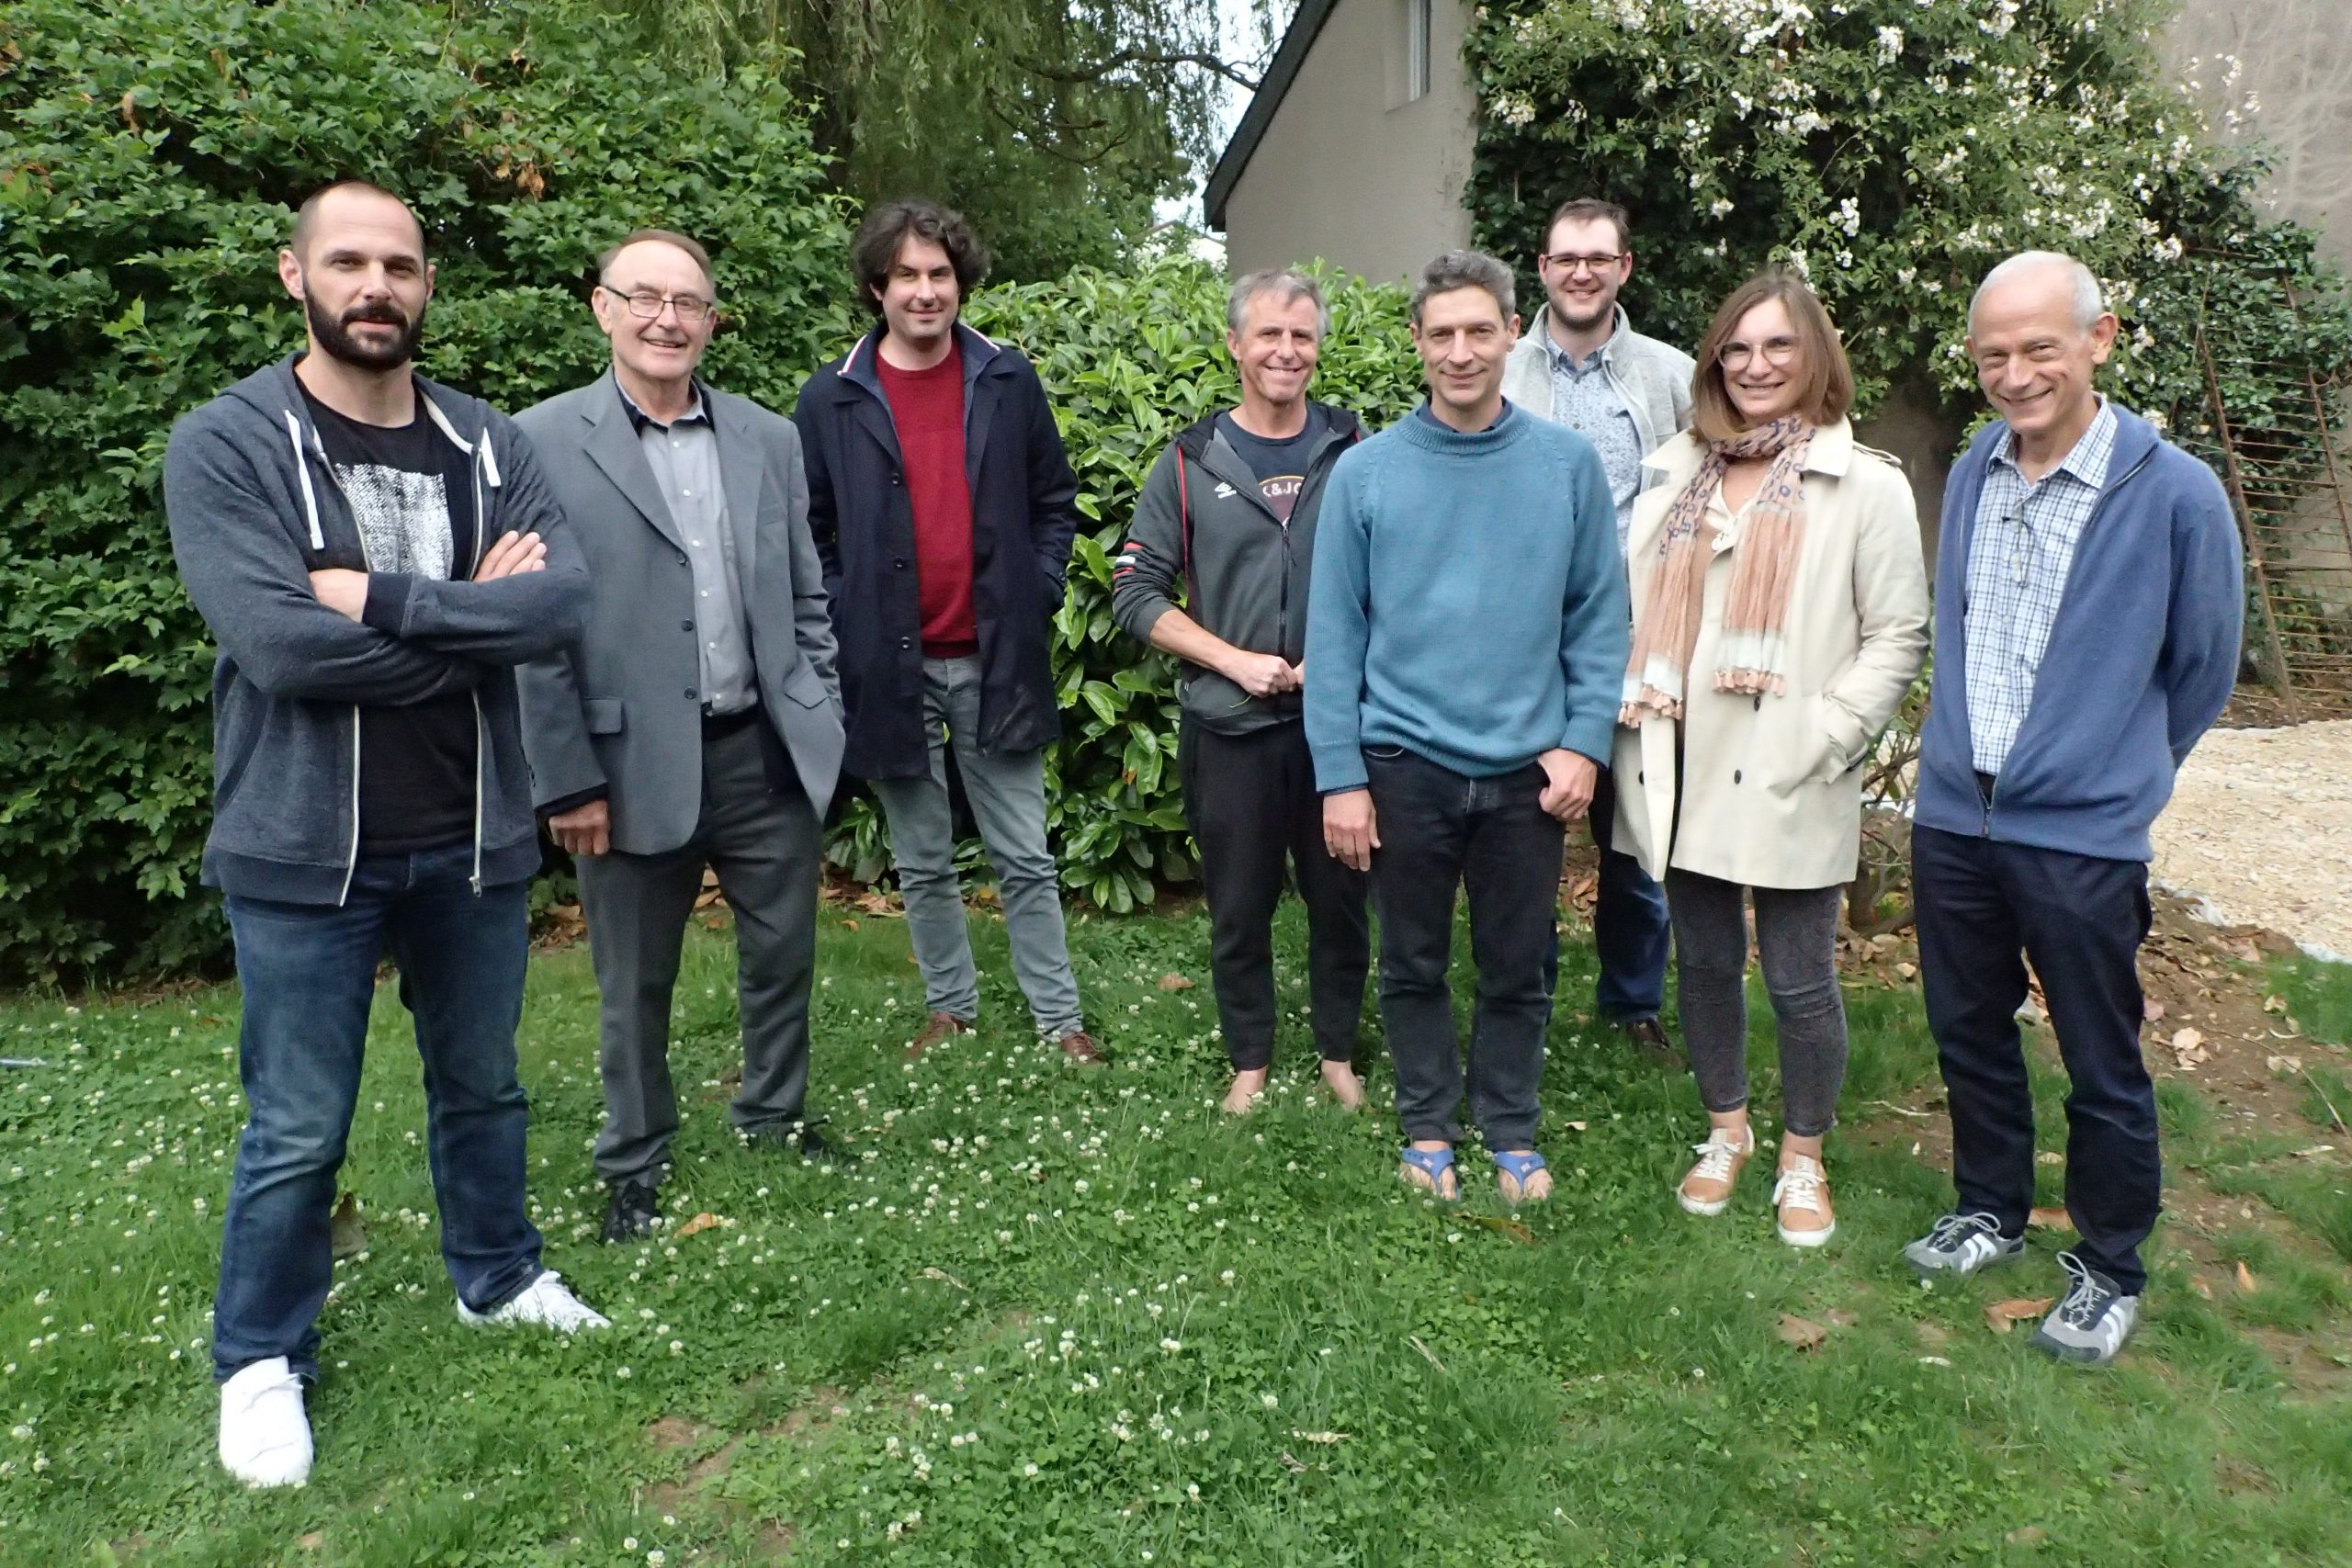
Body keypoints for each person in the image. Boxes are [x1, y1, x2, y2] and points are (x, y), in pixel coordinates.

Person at [164, 181, 605, 1490]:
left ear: (426, 285)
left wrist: (383, 598)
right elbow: (282, 646)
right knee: (298, 1123)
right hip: (305, 843)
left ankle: (498, 1274)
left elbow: (561, 605)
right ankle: (260, 1358)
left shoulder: (485, 442)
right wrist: (472, 618)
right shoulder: (231, 441)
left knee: (485, 1083)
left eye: (400, 265)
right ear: (293, 274)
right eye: (348, 261)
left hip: (471, 833)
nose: (376, 286)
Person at [1903, 251, 2242, 1364]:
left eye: (2038, 348)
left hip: (2081, 836)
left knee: (2100, 1059)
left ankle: (2108, 1268)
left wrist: (2117, 766)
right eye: (1992, 355)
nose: (2014, 375)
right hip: (1954, 817)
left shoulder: (2176, 493)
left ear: (2098, 340)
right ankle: (1988, 1208)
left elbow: (2202, 668)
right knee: (1967, 1028)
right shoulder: (1975, 469)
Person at [515, 230, 848, 1245]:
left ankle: (773, 1115)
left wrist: (817, 709)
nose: (667, 319)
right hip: (622, 764)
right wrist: (565, 776)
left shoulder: (767, 439)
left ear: (711, 320)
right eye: (645, 298)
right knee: (633, 980)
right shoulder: (539, 441)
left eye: (688, 303)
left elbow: (805, 594)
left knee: (783, 955)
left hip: (764, 751)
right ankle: (633, 1159)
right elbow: (531, 630)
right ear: (603, 308)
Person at [1611, 271, 1928, 1247]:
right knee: (1705, 964)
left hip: (1790, 763)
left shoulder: (1865, 484)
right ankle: (1726, 1131)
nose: (1755, 365)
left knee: (1799, 979)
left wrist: (1828, 736)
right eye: (1737, 348)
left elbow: (1898, 633)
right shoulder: (1678, 470)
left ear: (1814, 357)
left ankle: (1802, 1153)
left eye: (1777, 346)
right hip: (1683, 755)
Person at [1306, 250, 1628, 1204]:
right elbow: (1334, 635)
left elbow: (1597, 617)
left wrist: (1583, 743)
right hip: (1402, 762)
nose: (1460, 352)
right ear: (1416, 341)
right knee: (1410, 960)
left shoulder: (1565, 465)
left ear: (1510, 333)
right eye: (1441, 333)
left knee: (1517, 964)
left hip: (1528, 770)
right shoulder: (1364, 474)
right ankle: (1427, 1125)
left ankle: (1510, 1126)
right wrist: (1340, 776)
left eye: (1479, 330)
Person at [793, 199, 1101, 1065]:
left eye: (939, 274)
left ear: (960, 281)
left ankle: (1059, 1018)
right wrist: (846, 608)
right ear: (877, 287)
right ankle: (950, 1009)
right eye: (906, 276)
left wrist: (1037, 588)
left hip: (996, 657)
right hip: (890, 666)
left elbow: (1054, 499)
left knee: (1024, 854)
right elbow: (810, 528)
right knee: (923, 859)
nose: (925, 291)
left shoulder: (1006, 378)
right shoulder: (831, 396)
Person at [1111, 269, 1372, 1114]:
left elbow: (1399, 573)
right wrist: (1232, 660)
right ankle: (1250, 1057)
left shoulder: (1357, 449)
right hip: (1229, 726)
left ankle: (1337, 1052)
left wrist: (1344, 661)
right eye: (1268, 334)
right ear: (1234, 345)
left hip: (1336, 729)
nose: (1285, 351)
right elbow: (1134, 592)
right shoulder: (1189, 461)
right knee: (1238, 905)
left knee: (1342, 901)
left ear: (1318, 347)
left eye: (1301, 336)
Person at [1501, 197, 1695, 1063]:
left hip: (1638, 642)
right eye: (1566, 258)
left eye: (1599, 258)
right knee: (1526, 835)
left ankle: (1632, 1002)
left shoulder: (1671, 377)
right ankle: (1527, 993)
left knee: (1636, 836)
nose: (1582, 272)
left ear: (1625, 267)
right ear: (1543, 268)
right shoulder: (1503, 372)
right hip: (1525, 647)